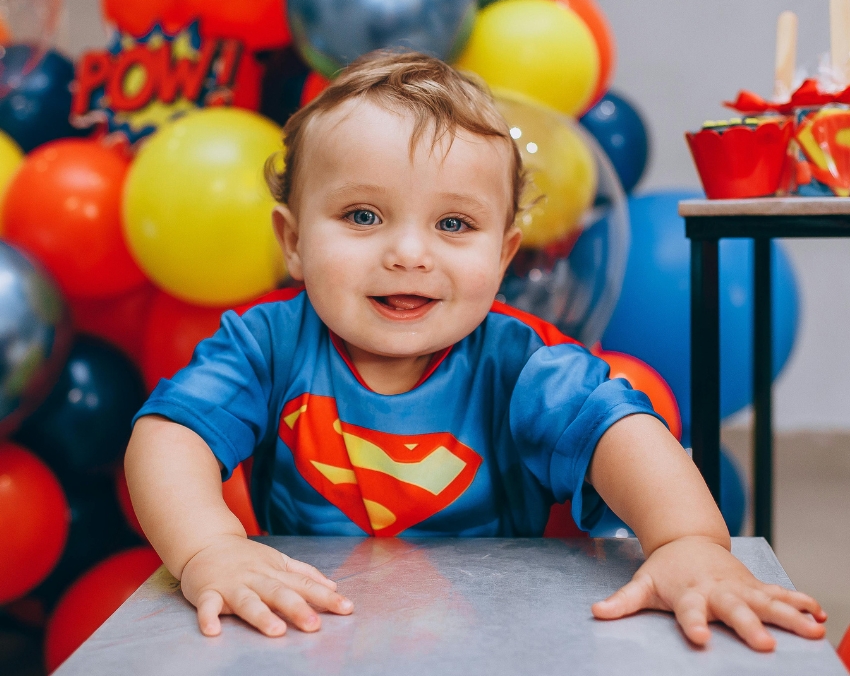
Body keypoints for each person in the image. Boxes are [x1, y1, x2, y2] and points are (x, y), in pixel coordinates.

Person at [125, 51, 826, 651]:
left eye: (454, 223)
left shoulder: (520, 363)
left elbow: (624, 433)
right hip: (310, 635)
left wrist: (686, 544)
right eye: (362, 216)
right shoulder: (265, 345)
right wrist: (209, 549)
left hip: (496, 634)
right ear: (295, 241)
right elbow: (169, 437)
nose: (407, 253)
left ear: (504, 254)